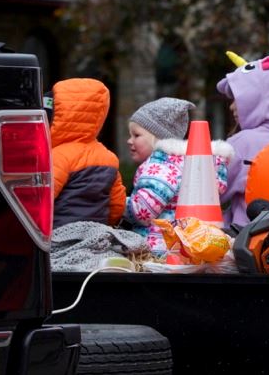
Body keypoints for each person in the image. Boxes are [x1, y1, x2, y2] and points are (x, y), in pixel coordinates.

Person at [124, 97, 231, 257]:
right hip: (185, 249)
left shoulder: (161, 165)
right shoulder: (193, 164)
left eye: (136, 135)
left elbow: (143, 211)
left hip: (156, 249)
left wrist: (116, 201)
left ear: (158, 138)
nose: (129, 141)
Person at [216, 53, 269, 230]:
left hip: (243, 238)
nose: (231, 106)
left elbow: (210, 192)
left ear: (258, 97)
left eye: (238, 98)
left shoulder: (243, 143)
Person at [49, 78, 126, 227]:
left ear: (60, 114)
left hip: (61, 234)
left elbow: (44, 200)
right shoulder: (108, 157)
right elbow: (117, 205)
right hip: (97, 233)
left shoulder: (58, 156)